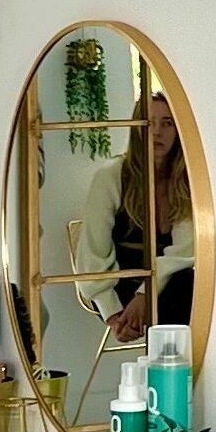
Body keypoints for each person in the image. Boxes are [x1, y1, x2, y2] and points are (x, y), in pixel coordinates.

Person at [74, 93, 194, 344]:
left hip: (166, 281)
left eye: (168, 123)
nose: (157, 132)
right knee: (178, 296)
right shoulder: (111, 176)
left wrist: (146, 295)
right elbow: (92, 254)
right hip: (115, 286)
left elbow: (184, 253)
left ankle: (169, 370)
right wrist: (113, 314)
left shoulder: (185, 181)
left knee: (186, 284)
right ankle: (166, 371)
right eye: (149, 123)